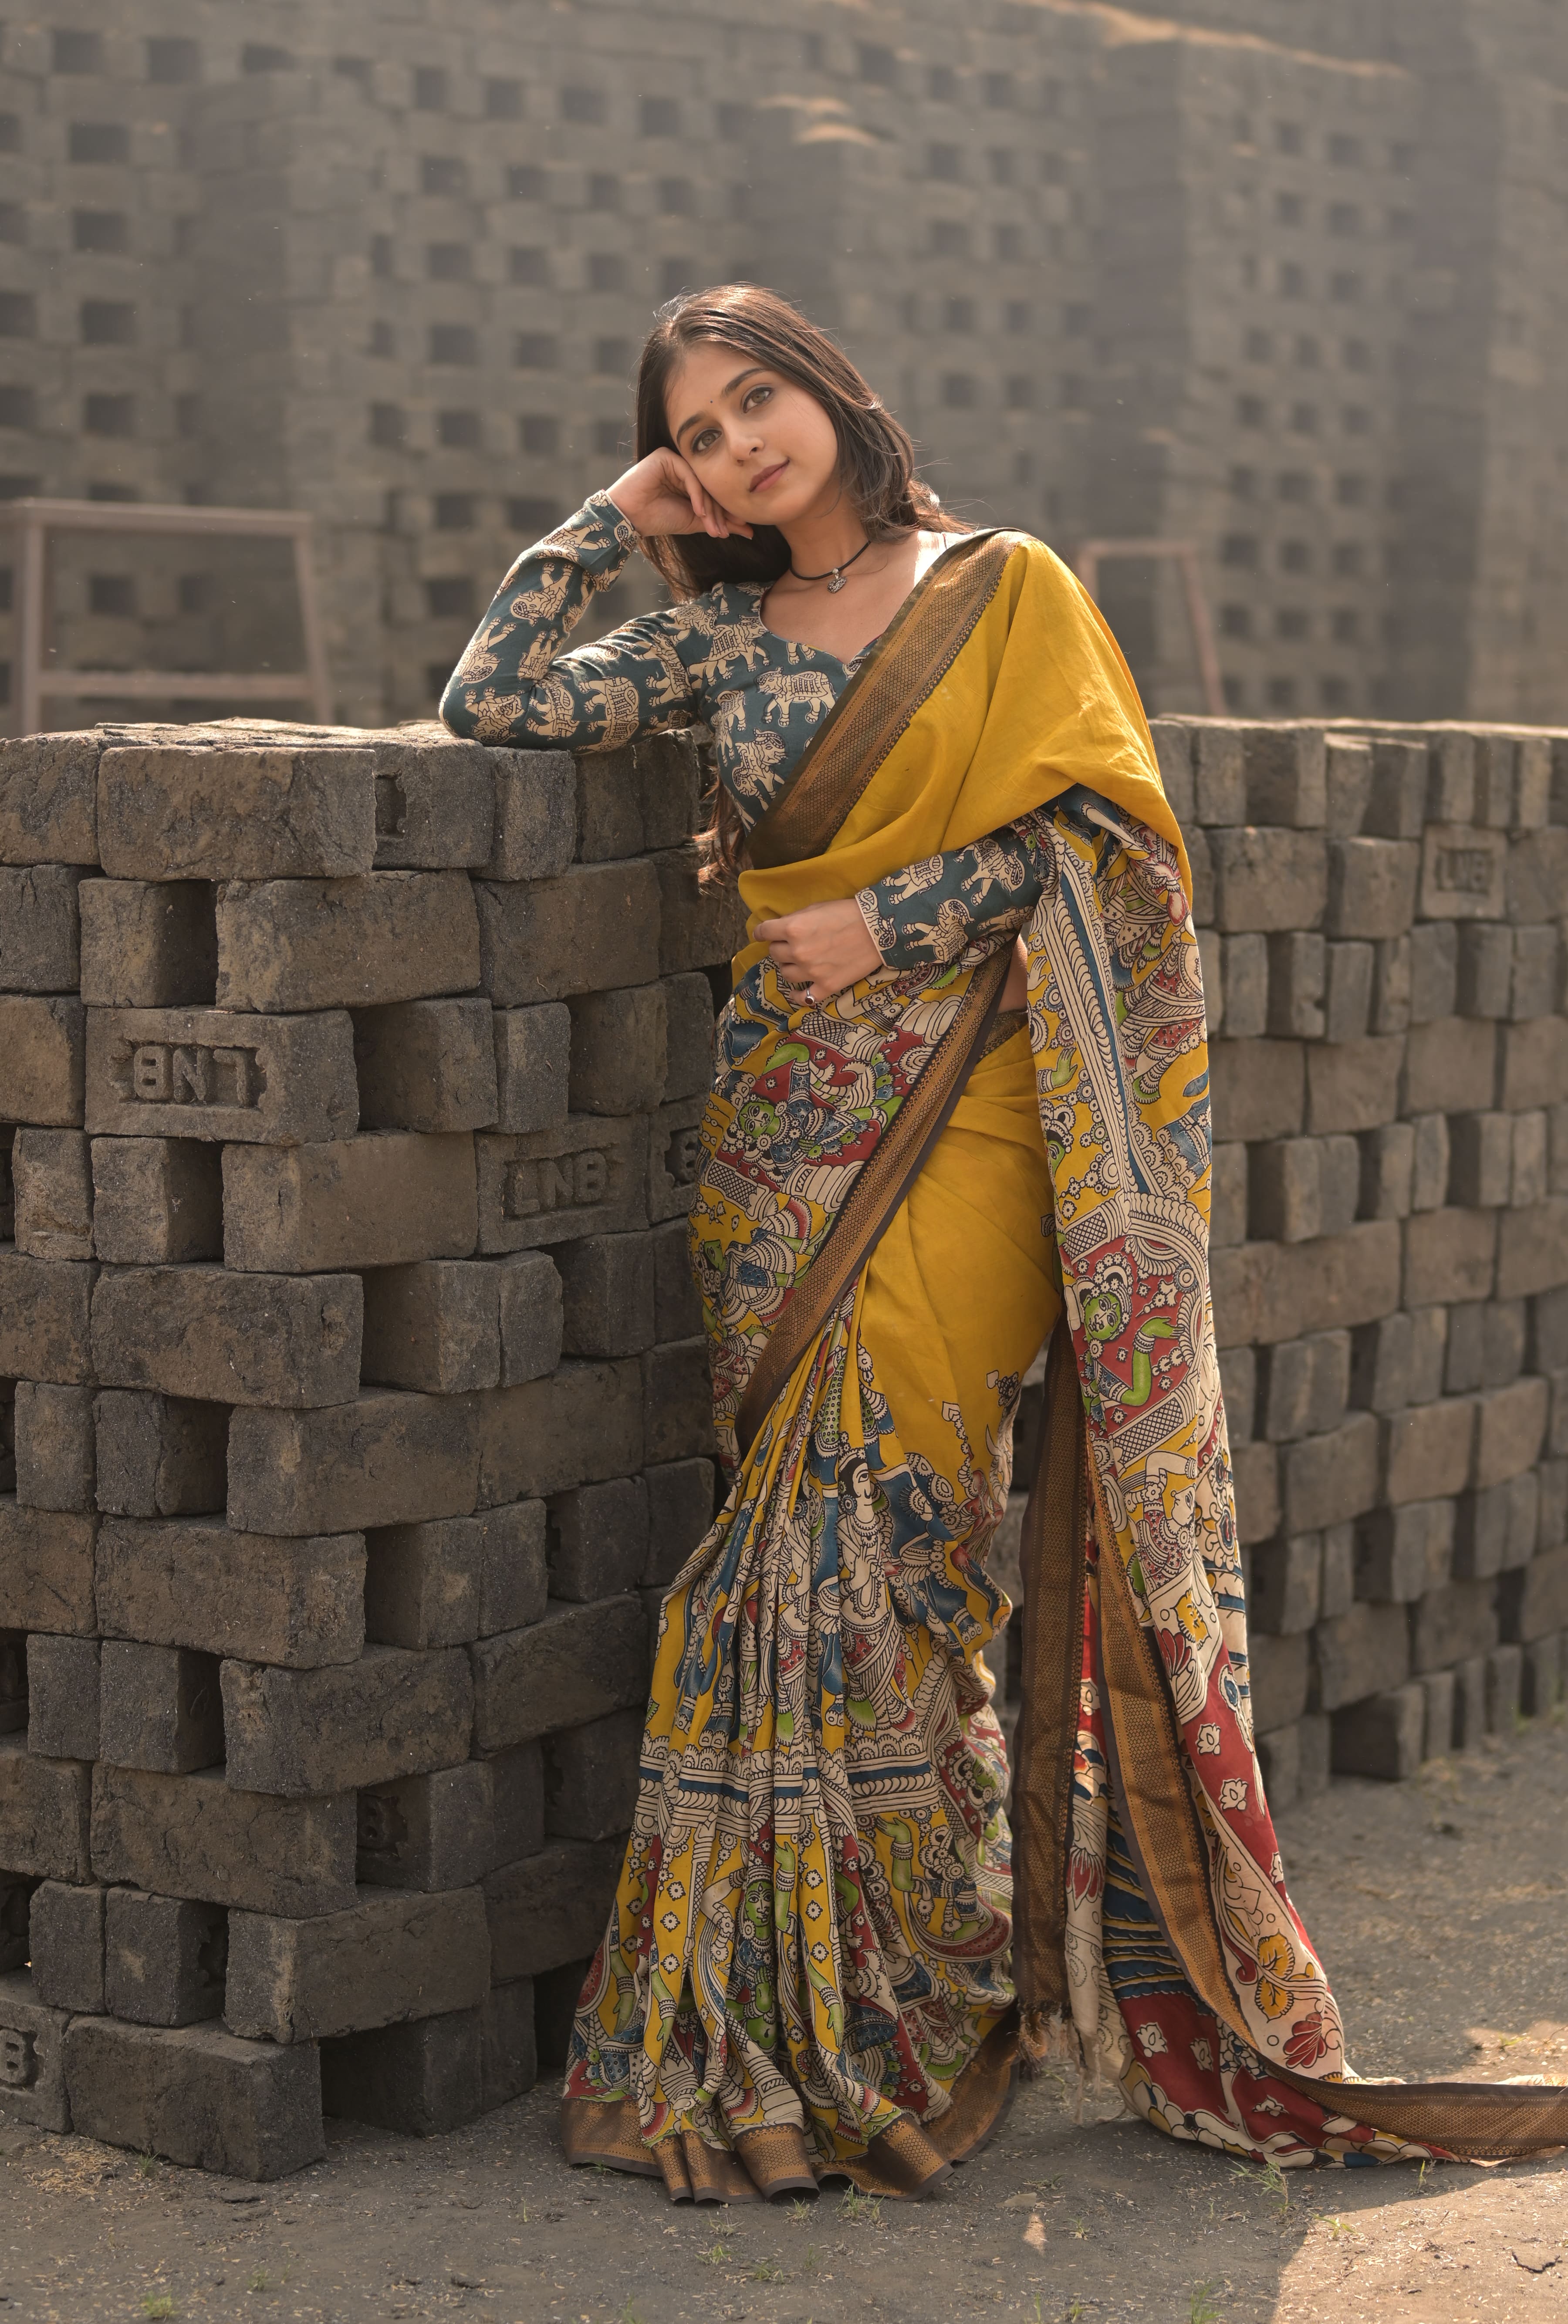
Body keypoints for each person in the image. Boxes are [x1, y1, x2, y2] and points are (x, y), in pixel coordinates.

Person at [442, 284, 1567, 2201]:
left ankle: (900, 2002)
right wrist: (607, 523)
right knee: (775, 1556)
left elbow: (1110, 848)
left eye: (757, 398)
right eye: (697, 432)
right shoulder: (713, 636)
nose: (738, 445)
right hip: (782, 1140)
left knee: (890, 1548)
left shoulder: (1004, 585)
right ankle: (829, 2001)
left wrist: (888, 919)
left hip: (968, 1120)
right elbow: (492, 705)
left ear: (830, 391)